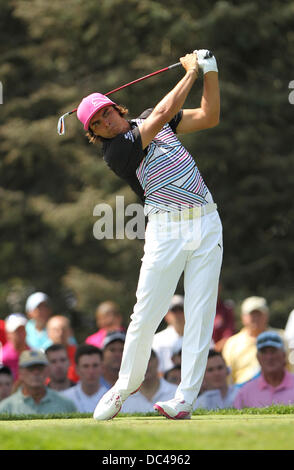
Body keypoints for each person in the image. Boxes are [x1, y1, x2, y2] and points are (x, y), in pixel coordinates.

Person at [76, 49, 223, 421]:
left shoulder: (148, 123)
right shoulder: (117, 151)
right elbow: (158, 116)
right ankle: (124, 386)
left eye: (106, 111)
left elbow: (209, 116)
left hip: (207, 222)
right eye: (97, 122)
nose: (105, 121)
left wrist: (210, 72)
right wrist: (190, 73)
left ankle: (185, 399)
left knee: (200, 312)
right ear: (94, 134)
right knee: (146, 313)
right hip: (166, 230)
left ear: (117, 108)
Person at [222, 296, 286, 385]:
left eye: (259, 314)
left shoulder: (281, 337)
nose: (255, 318)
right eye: (252, 314)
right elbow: (227, 377)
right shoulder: (232, 343)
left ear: (267, 316)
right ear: (243, 317)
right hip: (242, 394)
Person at [0, 349, 77, 415]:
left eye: (40, 368)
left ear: (47, 371)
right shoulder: (6, 407)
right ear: (20, 372)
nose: (35, 372)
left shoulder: (66, 404)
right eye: (30, 368)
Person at [233, 331, 294, 409]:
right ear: (258, 358)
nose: (269, 357)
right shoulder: (245, 392)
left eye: (273, 351)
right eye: (264, 352)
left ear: (284, 355)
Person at [61, 344, 108, 413]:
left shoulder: (112, 399)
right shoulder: (64, 398)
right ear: (77, 370)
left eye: (95, 365)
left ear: (102, 368)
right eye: (86, 366)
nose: (91, 371)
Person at [152, 295, 185, 375]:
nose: (178, 315)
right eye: (174, 311)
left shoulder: (200, 337)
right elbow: (154, 370)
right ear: (167, 316)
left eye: (181, 310)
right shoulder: (157, 340)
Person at [42, 315, 79, 383]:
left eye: (64, 329)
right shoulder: (41, 356)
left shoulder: (79, 354)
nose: (60, 333)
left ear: (70, 332)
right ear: (48, 333)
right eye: (56, 330)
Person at [1, 314, 30, 381]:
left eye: (22, 329)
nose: (21, 334)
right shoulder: (2, 356)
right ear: (8, 334)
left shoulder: (34, 353)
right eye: (17, 331)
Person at [212, 283, 236, 352]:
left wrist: (213, 351)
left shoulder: (226, 309)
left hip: (219, 353)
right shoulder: (197, 310)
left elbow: (228, 335)